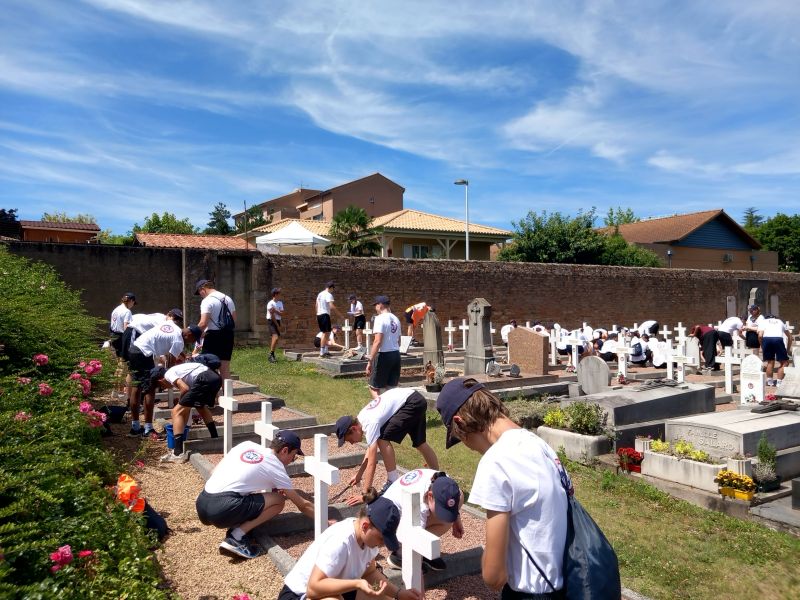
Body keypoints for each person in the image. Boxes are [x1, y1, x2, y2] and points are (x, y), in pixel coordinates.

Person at [436, 378, 569, 597]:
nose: (469, 447)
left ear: (460, 422)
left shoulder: (496, 460)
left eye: (461, 439)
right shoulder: (539, 444)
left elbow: (494, 576)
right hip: (563, 584)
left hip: (530, 592)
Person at [279, 493, 421, 600]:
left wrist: (399, 593)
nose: (382, 544)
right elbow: (313, 588)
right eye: (381, 538)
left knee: (381, 598)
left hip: (338, 590)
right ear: (365, 526)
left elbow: (369, 573)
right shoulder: (341, 541)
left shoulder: (368, 540)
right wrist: (357, 584)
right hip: (298, 594)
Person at [195, 434, 315, 560]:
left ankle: (235, 523)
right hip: (222, 510)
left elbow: (213, 472)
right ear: (285, 451)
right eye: (293, 455)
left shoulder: (246, 445)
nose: (292, 460)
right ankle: (236, 537)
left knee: (247, 494)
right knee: (279, 501)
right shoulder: (276, 467)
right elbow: (302, 505)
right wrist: (325, 521)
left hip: (202, 503)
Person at [336, 387, 439, 506]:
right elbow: (370, 452)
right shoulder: (362, 419)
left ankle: (392, 480)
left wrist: (365, 495)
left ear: (353, 429)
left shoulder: (370, 423)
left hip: (410, 403)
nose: (351, 443)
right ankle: (438, 478)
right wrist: (359, 475)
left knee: (382, 438)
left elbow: (372, 462)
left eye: (349, 440)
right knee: (420, 443)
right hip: (416, 399)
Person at [381, 469, 464, 572]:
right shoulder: (418, 503)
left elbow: (453, 499)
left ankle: (422, 552)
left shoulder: (447, 484)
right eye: (441, 508)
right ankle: (399, 556)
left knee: (457, 503)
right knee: (417, 537)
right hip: (388, 521)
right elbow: (416, 536)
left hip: (408, 507)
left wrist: (456, 518)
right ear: (430, 496)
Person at [126, 322, 199, 437]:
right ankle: (148, 429)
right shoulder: (179, 341)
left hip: (134, 349)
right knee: (150, 389)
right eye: (192, 340)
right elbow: (171, 365)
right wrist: (168, 379)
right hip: (145, 354)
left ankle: (135, 427)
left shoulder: (174, 326)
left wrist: (183, 355)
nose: (190, 343)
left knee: (136, 387)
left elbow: (169, 343)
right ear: (189, 335)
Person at [150, 358, 222, 463]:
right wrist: (182, 403)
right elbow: (188, 394)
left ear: (160, 380)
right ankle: (215, 438)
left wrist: (180, 402)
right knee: (200, 407)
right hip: (215, 377)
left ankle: (177, 453)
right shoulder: (177, 370)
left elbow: (184, 388)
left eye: (161, 387)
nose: (165, 388)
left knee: (176, 412)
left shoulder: (168, 374)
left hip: (204, 378)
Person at [196, 279, 236, 382]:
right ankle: (227, 392)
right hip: (228, 334)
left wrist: (194, 333)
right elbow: (233, 319)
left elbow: (203, 323)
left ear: (202, 289)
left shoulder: (207, 301)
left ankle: (211, 392)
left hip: (213, 336)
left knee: (208, 367)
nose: (200, 296)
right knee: (225, 368)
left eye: (199, 293)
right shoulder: (228, 298)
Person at [367, 295, 402, 399]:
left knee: (373, 387)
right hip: (396, 354)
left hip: (384, 355)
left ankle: (381, 407)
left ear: (380, 305)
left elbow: (377, 341)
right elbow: (399, 341)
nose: (375, 308)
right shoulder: (396, 319)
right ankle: (392, 408)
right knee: (391, 388)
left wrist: (370, 361)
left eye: (376, 305)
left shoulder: (380, 318)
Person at [759, 314, 790, 387]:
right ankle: (779, 382)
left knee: (770, 362)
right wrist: (788, 349)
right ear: (775, 318)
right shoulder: (780, 321)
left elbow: (760, 335)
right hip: (778, 339)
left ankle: (770, 382)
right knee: (785, 362)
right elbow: (790, 337)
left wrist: (762, 346)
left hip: (766, 340)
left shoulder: (763, 322)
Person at [316, 281, 344, 358]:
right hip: (325, 314)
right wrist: (340, 315)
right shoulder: (328, 294)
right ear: (331, 288)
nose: (333, 290)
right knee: (325, 333)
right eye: (333, 289)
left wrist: (317, 314)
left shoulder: (320, 294)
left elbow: (316, 304)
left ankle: (325, 351)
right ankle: (322, 353)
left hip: (319, 315)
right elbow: (331, 306)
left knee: (327, 333)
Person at [109, 292, 136, 357]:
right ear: (131, 301)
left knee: (118, 356)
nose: (133, 305)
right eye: (133, 303)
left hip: (113, 336)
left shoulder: (116, 309)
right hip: (121, 338)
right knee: (124, 358)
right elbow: (126, 327)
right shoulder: (127, 311)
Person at [266, 287, 284, 363]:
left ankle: (271, 355)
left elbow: (282, 313)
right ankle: (271, 354)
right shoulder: (270, 303)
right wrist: (277, 325)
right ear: (275, 294)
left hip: (278, 321)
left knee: (276, 339)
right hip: (272, 321)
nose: (280, 295)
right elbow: (272, 316)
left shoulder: (280, 303)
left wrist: (276, 310)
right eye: (279, 293)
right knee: (275, 337)